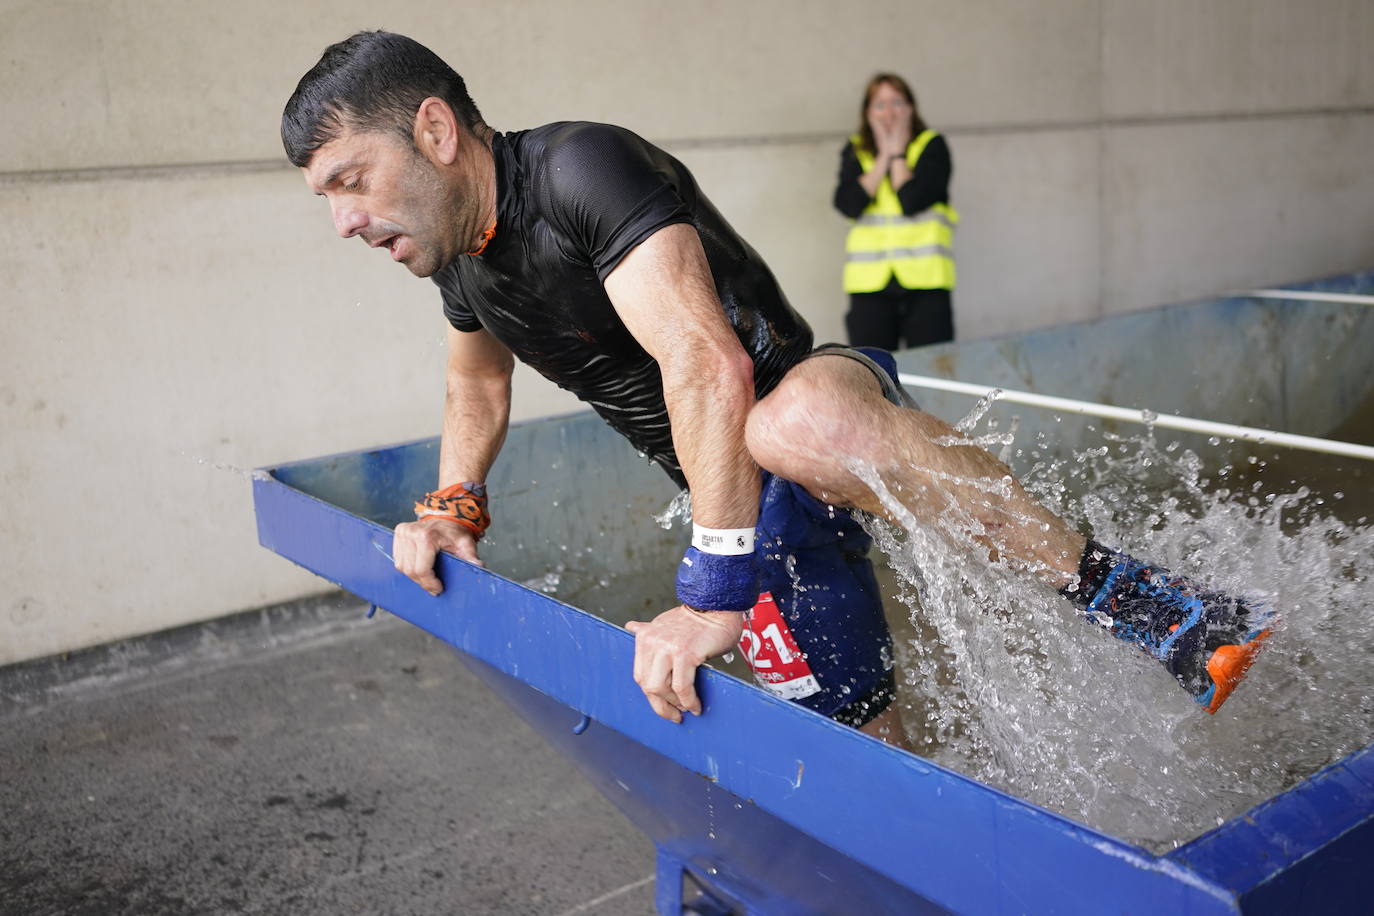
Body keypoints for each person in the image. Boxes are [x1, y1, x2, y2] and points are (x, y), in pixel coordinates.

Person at [281, 32, 1273, 746]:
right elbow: (476, 387)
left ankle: (1153, 604)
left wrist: (712, 592)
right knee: (854, 742)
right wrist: (453, 507)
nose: (343, 224)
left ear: (435, 129)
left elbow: (705, 363)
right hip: (747, 511)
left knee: (790, 421)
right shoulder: (461, 263)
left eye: (351, 181)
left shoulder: (579, 167)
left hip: (814, 401)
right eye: (326, 198)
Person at [833, 74, 957, 351]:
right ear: (867, 112)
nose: (889, 112)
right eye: (880, 104)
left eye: (897, 102)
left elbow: (911, 200)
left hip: (926, 282)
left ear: (911, 108)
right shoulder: (856, 151)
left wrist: (898, 154)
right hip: (870, 286)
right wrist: (883, 157)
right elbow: (848, 204)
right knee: (872, 368)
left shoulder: (931, 146)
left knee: (930, 366)